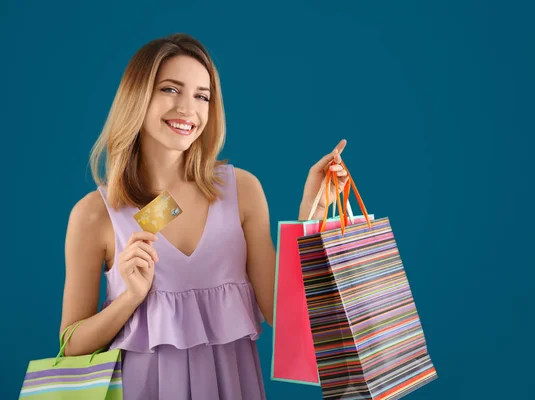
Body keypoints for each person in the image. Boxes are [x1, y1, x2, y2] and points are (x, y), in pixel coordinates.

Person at [59, 33, 350, 399]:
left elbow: (283, 317)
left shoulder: (241, 190)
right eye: (170, 89)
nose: (188, 108)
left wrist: (313, 218)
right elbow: (71, 347)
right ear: (137, 96)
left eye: (202, 96)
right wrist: (130, 297)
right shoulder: (94, 215)